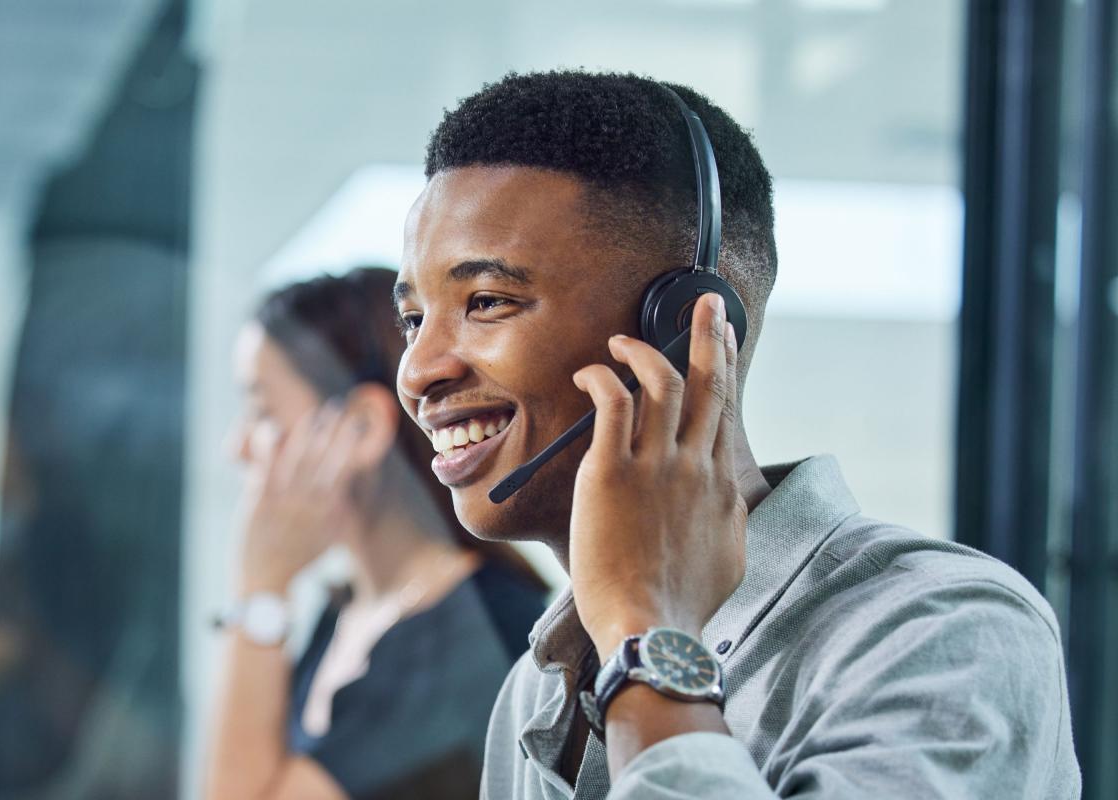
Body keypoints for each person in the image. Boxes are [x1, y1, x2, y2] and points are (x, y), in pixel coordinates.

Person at [392, 72, 1081, 798]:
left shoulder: (944, 631)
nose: (419, 370)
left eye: (488, 301)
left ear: (686, 325)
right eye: (413, 320)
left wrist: (648, 641)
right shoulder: (538, 690)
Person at [207, 267, 548, 800]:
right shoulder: (349, 610)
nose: (238, 447)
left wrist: (260, 591)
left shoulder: (476, 634)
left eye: (261, 411)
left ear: (362, 427)